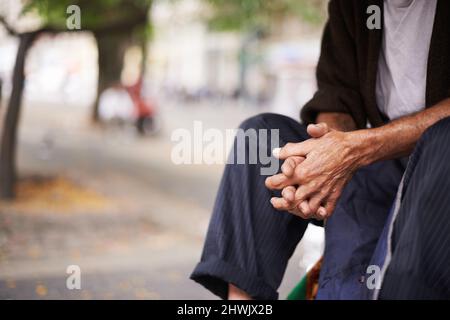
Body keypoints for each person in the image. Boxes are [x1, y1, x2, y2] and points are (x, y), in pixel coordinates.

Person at [191, 0, 450, 299]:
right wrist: (323, 154)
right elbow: (336, 96)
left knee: (444, 140)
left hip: (435, 163)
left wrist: (357, 149)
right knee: (260, 138)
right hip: (375, 162)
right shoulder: (354, 6)